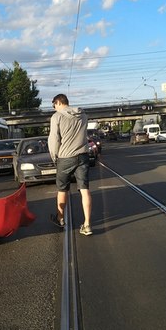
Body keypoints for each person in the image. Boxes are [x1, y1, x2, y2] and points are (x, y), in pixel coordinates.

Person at [48, 93, 93, 236]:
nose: (54, 108)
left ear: (58, 103)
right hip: (83, 155)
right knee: (84, 189)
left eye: (54, 105)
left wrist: (54, 156)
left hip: (65, 156)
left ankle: (60, 219)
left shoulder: (57, 116)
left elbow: (54, 139)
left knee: (62, 189)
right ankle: (87, 224)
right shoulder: (83, 115)